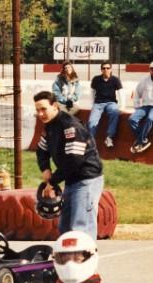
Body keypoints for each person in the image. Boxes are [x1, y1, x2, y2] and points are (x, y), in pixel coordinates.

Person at [34, 90, 104, 238]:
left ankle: (84, 258)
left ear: (55, 106)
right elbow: (41, 150)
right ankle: (66, 260)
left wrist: (52, 182)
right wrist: (45, 168)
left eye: (43, 109)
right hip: (71, 181)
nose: (40, 114)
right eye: (37, 110)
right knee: (65, 227)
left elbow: (73, 161)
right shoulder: (49, 126)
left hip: (86, 180)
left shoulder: (70, 125)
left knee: (80, 227)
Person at [87, 61, 122, 148]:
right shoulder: (96, 79)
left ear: (111, 69)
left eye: (107, 68)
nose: (105, 70)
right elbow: (92, 91)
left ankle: (109, 137)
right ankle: (91, 142)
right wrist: (92, 103)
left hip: (111, 102)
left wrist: (122, 106)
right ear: (101, 70)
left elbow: (121, 93)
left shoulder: (115, 80)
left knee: (115, 112)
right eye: (103, 68)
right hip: (98, 103)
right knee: (92, 122)